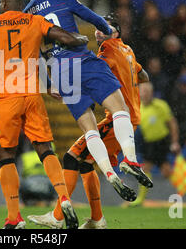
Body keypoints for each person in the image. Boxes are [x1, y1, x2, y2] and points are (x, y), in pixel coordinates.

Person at [24, 0, 151, 202]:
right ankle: (130, 159)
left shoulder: (27, 15)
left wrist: (49, 82)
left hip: (60, 73)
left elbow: (32, 54)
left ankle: (110, 173)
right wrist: (107, 30)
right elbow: (94, 19)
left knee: (89, 130)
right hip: (82, 60)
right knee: (119, 110)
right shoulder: (64, 0)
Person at [0, 0, 88, 229]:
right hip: (32, 95)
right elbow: (66, 38)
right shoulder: (35, 21)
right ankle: (64, 198)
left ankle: (14, 218)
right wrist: (82, 39)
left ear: (5, 3)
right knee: (45, 149)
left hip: (6, 97)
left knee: (6, 155)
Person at [28, 16, 150, 229]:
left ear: (116, 33)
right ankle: (97, 219)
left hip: (117, 120)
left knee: (72, 157)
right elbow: (144, 76)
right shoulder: (128, 51)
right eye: (97, 28)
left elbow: (92, 76)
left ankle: (57, 217)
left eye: (105, 29)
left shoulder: (105, 53)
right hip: (130, 118)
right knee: (85, 162)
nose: (98, 32)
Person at [128, 82, 180, 207]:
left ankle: (140, 199)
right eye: (143, 91)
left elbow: (172, 124)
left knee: (152, 170)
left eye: (147, 91)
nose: (145, 94)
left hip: (161, 141)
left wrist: (175, 141)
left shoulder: (161, 105)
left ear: (152, 93)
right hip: (149, 143)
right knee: (158, 170)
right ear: (139, 93)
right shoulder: (138, 107)